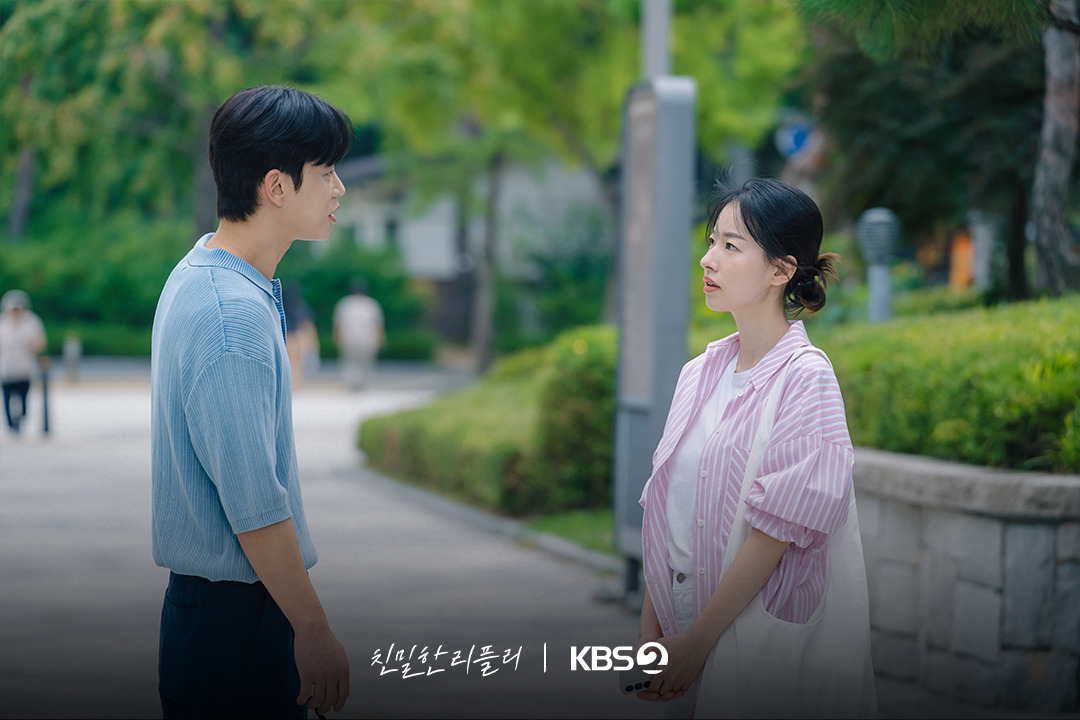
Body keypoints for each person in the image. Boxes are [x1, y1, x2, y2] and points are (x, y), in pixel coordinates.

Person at [635, 178, 875, 717]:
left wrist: (697, 644)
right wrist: (653, 638)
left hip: (759, 651)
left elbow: (776, 532)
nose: (708, 260)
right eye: (711, 242)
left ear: (781, 270)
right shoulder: (698, 374)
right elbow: (666, 509)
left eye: (730, 246)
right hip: (682, 640)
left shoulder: (806, 378)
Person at [150, 85, 352, 719]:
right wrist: (313, 629)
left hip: (215, 616)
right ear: (277, 186)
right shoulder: (229, 313)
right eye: (326, 171)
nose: (340, 188)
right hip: (236, 623)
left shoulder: (203, 271)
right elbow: (255, 505)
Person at [0, 289, 46, 435]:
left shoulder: (31, 322)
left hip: (24, 368)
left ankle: (21, 419)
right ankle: (11, 424)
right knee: (7, 397)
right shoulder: (2, 323)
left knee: (24, 398)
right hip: (6, 369)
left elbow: (40, 343)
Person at [332, 281, 384, 391]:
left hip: (350, 338)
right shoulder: (371, 304)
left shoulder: (345, 303)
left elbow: (337, 324)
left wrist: (336, 337)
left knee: (350, 362)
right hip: (366, 339)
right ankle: (361, 384)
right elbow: (378, 325)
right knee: (364, 362)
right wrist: (380, 338)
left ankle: (352, 384)